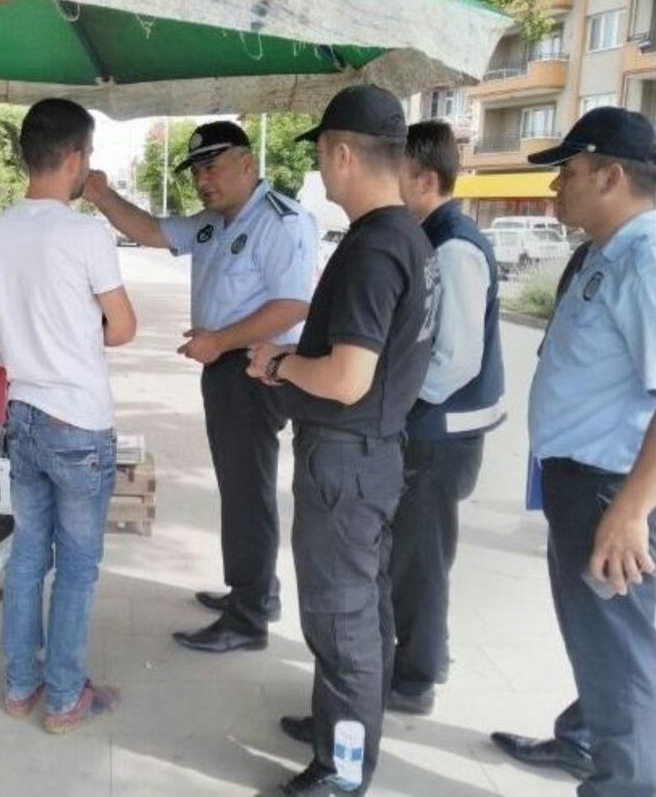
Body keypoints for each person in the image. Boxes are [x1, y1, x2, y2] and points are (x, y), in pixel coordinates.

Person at [247, 85, 437, 796]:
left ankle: (343, 769)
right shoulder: (409, 238)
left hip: (346, 462)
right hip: (374, 455)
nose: (321, 171)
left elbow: (348, 378)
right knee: (364, 608)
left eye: (323, 155)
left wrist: (277, 363)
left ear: (345, 153)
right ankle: (344, 723)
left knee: (341, 619)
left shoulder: (374, 249)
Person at [83, 121, 318, 653]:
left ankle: (248, 618)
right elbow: (153, 231)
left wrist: (219, 341)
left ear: (247, 163)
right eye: (196, 172)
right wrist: (101, 196)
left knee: (246, 492)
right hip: (228, 368)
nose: (202, 180)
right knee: (243, 489)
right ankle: (258, 592)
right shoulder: (215, 222)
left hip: (256, 371)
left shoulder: (280, 222)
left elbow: (292, 305)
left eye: (212, 167)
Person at [490, 108, 656, 795]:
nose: (556, 186)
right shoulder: (608, 252)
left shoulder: (646, 259)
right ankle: (583, 742)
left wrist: (630, 511)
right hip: (588, 483)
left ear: (611, 176)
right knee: (611, 643)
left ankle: (626, 783)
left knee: (621, 658)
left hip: (611, 491)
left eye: (569, 171)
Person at [0, 98, 136, 733]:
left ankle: (20, 685)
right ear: (75, 157)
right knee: (75, 567)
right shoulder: (85, 233)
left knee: (27, 557)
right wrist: (81, 335)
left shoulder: (1, 229)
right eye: (89, 154)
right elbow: (122, 327)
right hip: (77, 421)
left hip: (21, 414)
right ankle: (65, 698)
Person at [388, 120, 506, 716]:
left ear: (424, 179)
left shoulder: (454, 246)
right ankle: (424, 657)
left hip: (440, 435)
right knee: (416, 554)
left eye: (394, 171)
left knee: (419, 559)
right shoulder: (431, 235)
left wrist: (390, 401)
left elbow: (453, 361)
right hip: (434, 431)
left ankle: (414, 679)